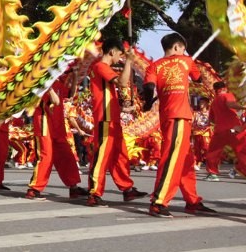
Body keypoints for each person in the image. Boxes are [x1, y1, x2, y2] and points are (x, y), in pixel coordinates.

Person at [143, 32, 215, 218]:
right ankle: (158, 201)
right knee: (172, 158)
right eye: (183, 48)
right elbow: (198, 79)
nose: (185, 52)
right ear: (176, 47)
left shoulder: (154, 66)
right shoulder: (187, 61)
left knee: (186, 160)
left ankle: (192, 201)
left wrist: (148, 102)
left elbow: (149, 88)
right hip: (179, 116)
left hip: (169, 115)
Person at [86, 38, 147, 206]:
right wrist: (129, 61)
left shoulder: (103, 68)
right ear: (112, 52)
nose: (119, 58)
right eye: (119, 55)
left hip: (112, 118)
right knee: (102, 156)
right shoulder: (101, 66)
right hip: (105, 119)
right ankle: (94, 193)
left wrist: (123, 108)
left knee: (120, 155)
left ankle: (127, 189)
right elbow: (122, 82)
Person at [25, 75, 87, 200]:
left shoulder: (58, 82)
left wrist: (75, 76)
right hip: (44, 124)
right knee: (46, 156)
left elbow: (70, 96)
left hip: (58, 125)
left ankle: (73, 187)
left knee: (66, 156)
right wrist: (48, 85)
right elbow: (55, 101)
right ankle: (34, 189)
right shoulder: (41, 81)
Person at [204, 81, 246, 180]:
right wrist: (243, 107)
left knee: (213, 152)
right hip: (234, 129)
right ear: (224, 88)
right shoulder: (227, 95)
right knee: (242, 151)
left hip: (220, 131)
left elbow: (211, 119)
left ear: (215, 90)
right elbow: (231, 104)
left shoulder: (214, 102)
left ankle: (212, 173)